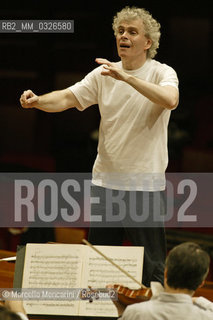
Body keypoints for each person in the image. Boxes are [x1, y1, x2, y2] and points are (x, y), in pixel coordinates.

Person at [20, 6, 179, 286]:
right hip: (105, 183)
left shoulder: (161, 72)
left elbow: (170, 100)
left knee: (151, 266)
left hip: (144, 186)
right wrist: (38, 101)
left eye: (132, 31)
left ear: (147, 42)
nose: (124, 36)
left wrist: (128, 78)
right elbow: (68, 98)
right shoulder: (103, 73)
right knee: (101, 263)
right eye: (120, 31)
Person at [115, 242, 213, 320]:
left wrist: (121, 311)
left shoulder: (135, 313)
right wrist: (199, 300)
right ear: (201, 283)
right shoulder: (207, 317)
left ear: (165, 273)